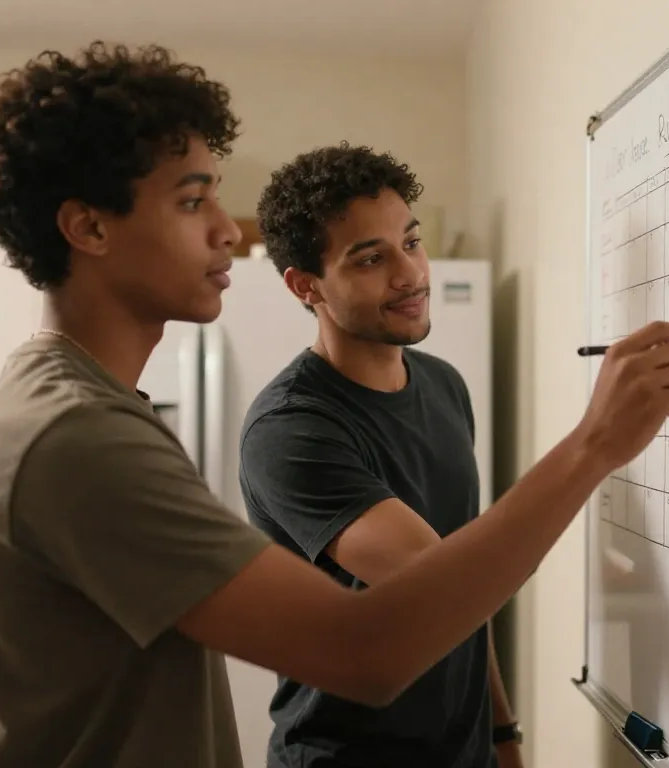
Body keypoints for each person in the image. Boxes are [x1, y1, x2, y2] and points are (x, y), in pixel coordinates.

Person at [0, 40, 669, 768]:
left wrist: (501, 734)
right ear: (89, 227)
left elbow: (450, 597)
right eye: (192, 200)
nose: (225, 229)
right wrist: (594, 444)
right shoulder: (76, 434)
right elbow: (366, 650)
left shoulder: (89, 408)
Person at [238, 143, 519, 768]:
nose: (410, 274)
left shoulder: (444, 385)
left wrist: (503, 737)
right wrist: (594, 444)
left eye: (411, 242)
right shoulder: (291, 428)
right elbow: (448, 583)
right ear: (305, 285)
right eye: (371, 258)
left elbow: (470, 594)